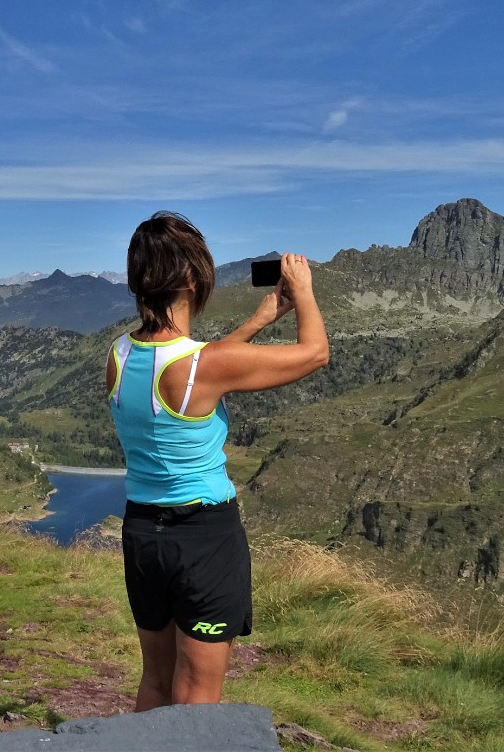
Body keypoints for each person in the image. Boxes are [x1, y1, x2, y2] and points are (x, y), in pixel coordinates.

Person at [106, 212, 328, 711]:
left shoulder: (119, 354)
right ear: (191, 278)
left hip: (143, 533)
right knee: (198, 694)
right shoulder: (202, 366)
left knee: (156, 683)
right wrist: (304, 291)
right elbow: (315, 354)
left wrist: (259, 320)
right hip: (203, 536)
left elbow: (196, 367)